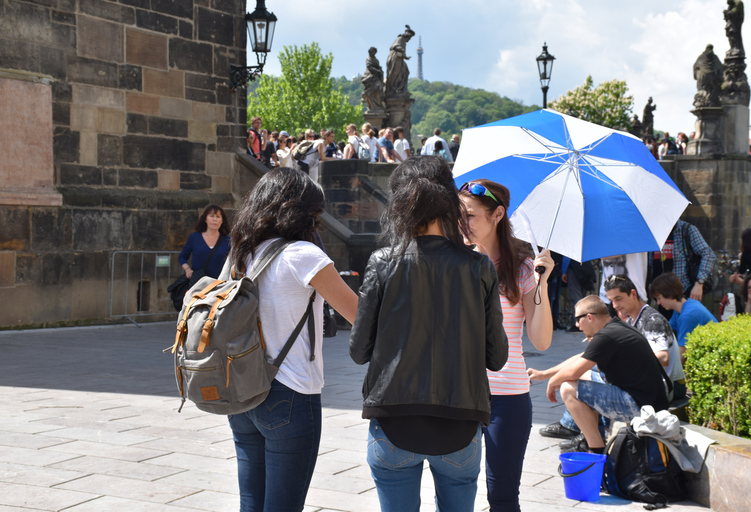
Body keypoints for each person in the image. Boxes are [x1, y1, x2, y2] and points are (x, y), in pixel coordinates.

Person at [350, 157, 508, 512]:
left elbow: (358, 351)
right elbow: (497, 358)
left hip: (393, 423)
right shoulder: (479, 267)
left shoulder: (383, 262)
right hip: (460, 427)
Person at [226, 167, 359, 512]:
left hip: (242, 389)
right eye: (315, 214)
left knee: (251, 503)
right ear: (301, 212)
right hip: (290, 390)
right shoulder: (304, 256)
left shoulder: (240, 254)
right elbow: (359, 315)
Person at [458, 179, 554, 512]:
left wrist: (541, 282)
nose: (461, 224)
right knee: (456, 493)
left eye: (469, 216)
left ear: (497, 214)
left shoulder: (524, 269)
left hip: (508, 397)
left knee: (502, 497)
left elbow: (541, 341)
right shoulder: (454, 262)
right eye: (458, 215)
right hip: (458, 394)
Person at [535, 295, 670, 453]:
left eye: (578, 319)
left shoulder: (606, 336)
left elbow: (572, 371)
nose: (577, 325)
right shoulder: (615, 327)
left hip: (641, 406)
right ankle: (591, 439)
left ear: (589, 317)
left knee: (568, 388)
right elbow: (580, 359)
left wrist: (552, 383)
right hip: (648, 398)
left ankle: (596, 449)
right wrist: (543, 374)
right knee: (581, 376)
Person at [604, 274, 686, 400]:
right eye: (611, 301)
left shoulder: (652, 319)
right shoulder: (632, 320)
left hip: (665, 388)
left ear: (633, 294)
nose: (614, 305)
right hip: (647, 385)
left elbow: (663, 358)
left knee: (582, 388)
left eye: (618, 299)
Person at [650, 272, 718, 363]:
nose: (658, 303)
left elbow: (680, 357)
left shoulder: (687, 316)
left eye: (659, 298)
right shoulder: (684, 306)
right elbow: (665, 331)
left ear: (669, 294)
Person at [179, 204, 232, 282]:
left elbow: (233, 261)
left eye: (218, 216)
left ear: (222, 221)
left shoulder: (228, 240)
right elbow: (182, 257)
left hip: (219, 283)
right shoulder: (195, 237)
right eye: (211, 216)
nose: (215, 219)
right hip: (198, 282)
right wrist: (187, 270)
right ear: (205, 219)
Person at [671, 220, 717, 301]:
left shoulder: (687, 230)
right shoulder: (653, 232)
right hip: (662, 295)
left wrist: (699, 283)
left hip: (684, 293)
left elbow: (708, 254)